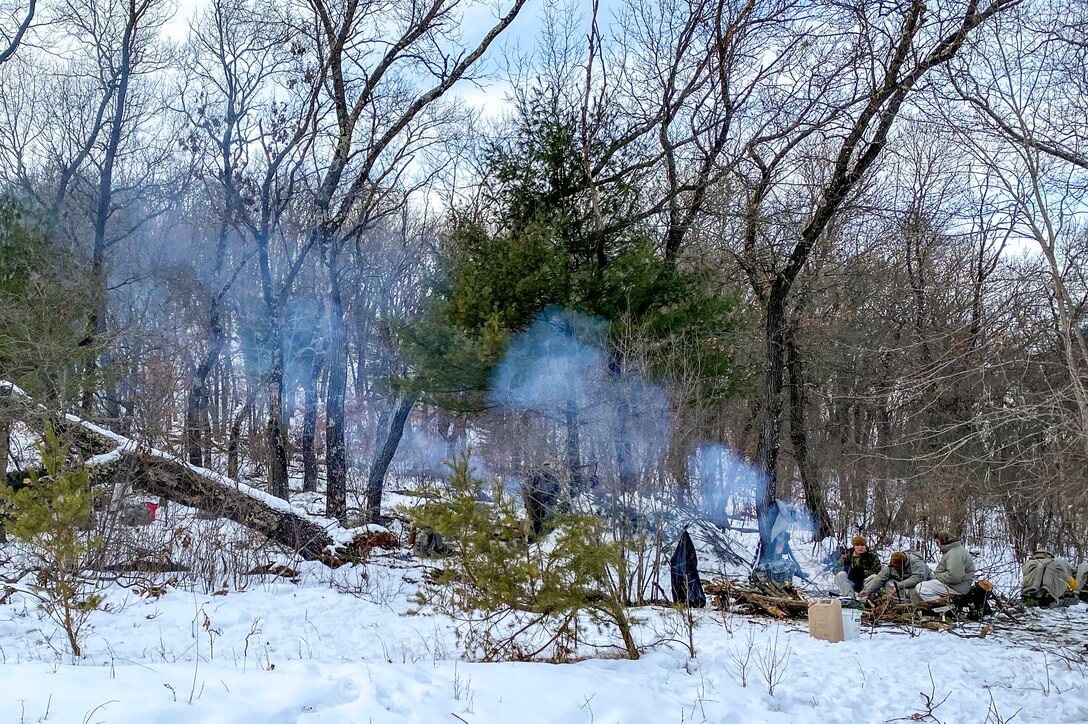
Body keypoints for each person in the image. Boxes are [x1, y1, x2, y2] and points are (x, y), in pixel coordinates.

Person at [916, 530, 975, 612]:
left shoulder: (955, 553)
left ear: (943, 541)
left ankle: (945, 610)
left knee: (921, 587)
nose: (937, 546)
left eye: (937, 543)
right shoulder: (953, 550)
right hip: (956, 585)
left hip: (957, 587)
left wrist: (938, 577)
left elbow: (955, 576)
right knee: (926, 585)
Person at [860, 550, 932, 603]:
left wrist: (899, 585)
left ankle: (918, 608)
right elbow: (880, 578)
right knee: (888, 583)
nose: (895, 569)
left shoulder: (917, 562)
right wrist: (867, 591)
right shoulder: (891, 567)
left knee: (914, 591)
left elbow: (919, 578)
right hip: (903, 588)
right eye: (893, 567)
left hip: (922, 587)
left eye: (897, 567)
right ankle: (899, 604)